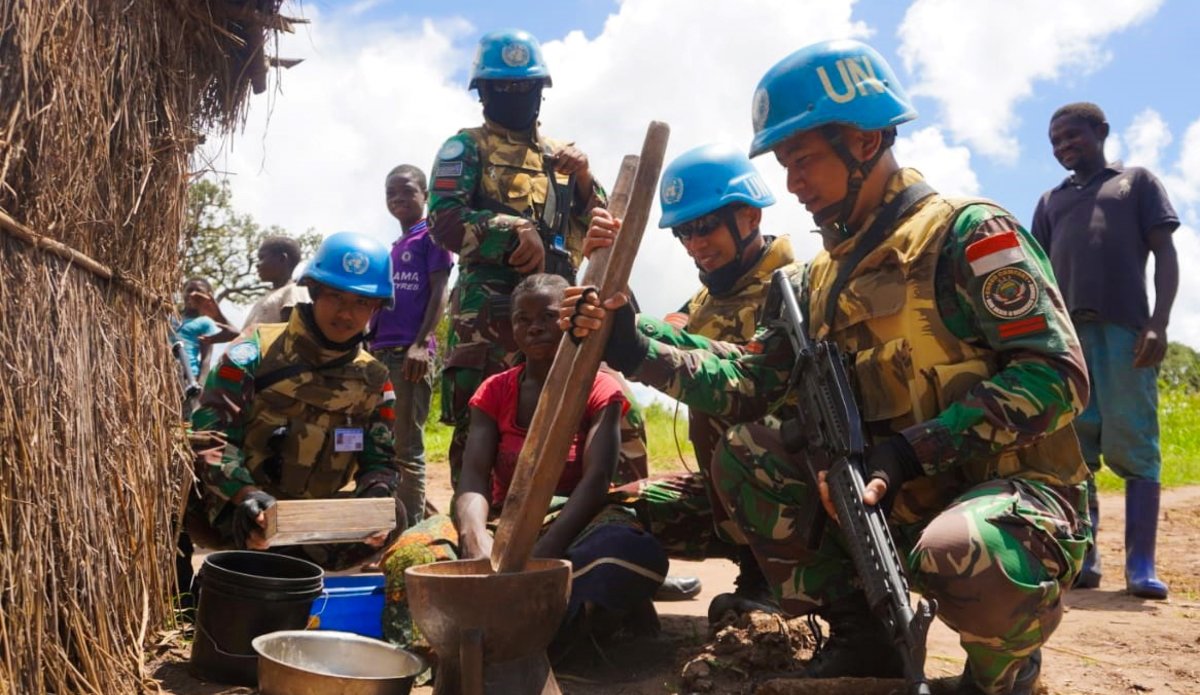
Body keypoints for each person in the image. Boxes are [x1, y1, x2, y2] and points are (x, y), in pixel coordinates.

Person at [564, 40, 1091, 695]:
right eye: (784, 164)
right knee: (749, 447)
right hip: (888, 499)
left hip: (1010, 496)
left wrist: (911, 450)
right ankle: (861, 633)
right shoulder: (814, 281)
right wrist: (634, 345)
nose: (792, 183)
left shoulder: (969, 233)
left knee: (957, 547)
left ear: (864, 141)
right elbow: (748, 382)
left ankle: (1002, 673)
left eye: (803, 159)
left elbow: (1055, 375)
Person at [380, 274, 667, 656]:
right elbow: (473, 479)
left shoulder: (600, 389)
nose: (534, 327)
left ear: (569, 317)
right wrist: (474, 536)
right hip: (506, 521)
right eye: (522, 319)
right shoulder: (494, 390)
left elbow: (596, 480)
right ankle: (444, 653)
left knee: (624, 552)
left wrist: (544, 554)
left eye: (549, 316)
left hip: (576, 523)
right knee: (411, 554)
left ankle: (539, 642)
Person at [585, 143, 794, 617]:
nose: (695, 243)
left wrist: (637, 341)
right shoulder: (704, 300)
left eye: (705, 227)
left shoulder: (795, 291)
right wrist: (608, 270)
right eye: (683, 231)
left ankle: (776, 583)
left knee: (742, 430)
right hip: (727, 497)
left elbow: (746, 381)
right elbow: (652, 336)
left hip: (796, 495)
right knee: (612, 513)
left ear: (749, 217)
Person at [425, 28, 609, 488]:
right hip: (489, 323)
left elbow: (599, 227)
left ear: (540, 91)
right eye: (502, 87)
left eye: (523, 87)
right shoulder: (464, 147)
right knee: (480, 442)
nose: (514, 95)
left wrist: (585, 178)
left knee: (567, 426)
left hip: (558, 315)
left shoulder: (561, 157)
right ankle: (475, 543)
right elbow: (444, 222)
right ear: (483, 92)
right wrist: (511, 229)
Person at [1031, 102, 1179, 600]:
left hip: (1125, 332)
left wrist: (1158, 323)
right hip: (1067, 339)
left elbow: (1165, 254)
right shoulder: (1051, 200)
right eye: (1054, 142)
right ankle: (1085, 558)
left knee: (1136, 443)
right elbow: (1038, 277)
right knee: (1074, 449)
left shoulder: (1135, 183)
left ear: (1101, 132)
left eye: (1072, 136)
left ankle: (1140, 566)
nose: (1062, 147)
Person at [187, 232, 404, 571]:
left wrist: (376, 493)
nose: (346, 314)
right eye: (336, 297)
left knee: (395, 512)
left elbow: (381, 461)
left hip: (313, 526)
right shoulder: (253, 351)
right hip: (241, 516)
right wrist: (245, 496)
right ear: (314, 291)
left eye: (362, 303)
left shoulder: (374, 380)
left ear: (377, 308)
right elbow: (212, 440)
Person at [369, 164, 453, 528]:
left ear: (426, 195)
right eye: (391, 193)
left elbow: (440, 291)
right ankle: (386, 529)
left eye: (406, 191)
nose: (398, 199)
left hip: (409, 355)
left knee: (406, 451)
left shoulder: (431, 237)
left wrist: (420, 344)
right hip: (380, 353)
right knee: (379, 448)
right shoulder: (395, 246)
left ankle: (411, 537)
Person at [171, 277, 238, 386]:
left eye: (198, 291)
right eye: (189, 290)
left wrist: (201, 384)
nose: (192, 294)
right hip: (162, 373)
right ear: (183, 292)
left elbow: (206, 358)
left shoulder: (205, 322)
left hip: (188, 376)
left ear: (208, 295)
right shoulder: (170, 317)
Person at [242, 235, 309, 328]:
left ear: (282, 259)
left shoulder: (294, 290)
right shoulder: (269, 296)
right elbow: (254, 338)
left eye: (262, 258)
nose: (257, 265)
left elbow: (290, 334)